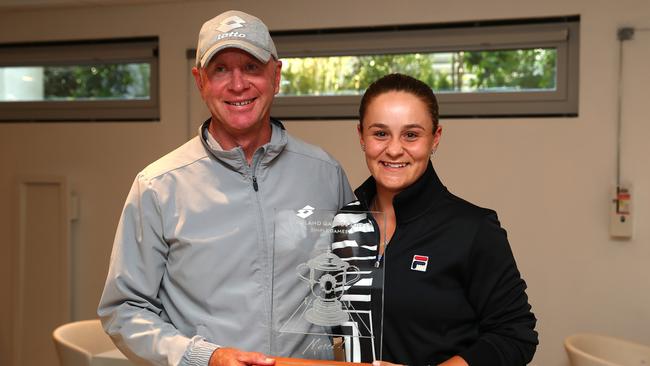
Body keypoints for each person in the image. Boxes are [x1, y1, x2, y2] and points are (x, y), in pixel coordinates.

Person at [97, 10, 354, 366]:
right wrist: (206, 357)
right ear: (200, 80)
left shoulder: (325, 174)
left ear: (275, 76)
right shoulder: (158, 186)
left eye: (251, 67)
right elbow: (124, 311)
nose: (237, 84)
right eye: (221, 70)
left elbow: (357, 289)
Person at [332, 73, 538, 366]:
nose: (393, 149)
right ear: (361, 137)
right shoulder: (342, 222)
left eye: (411, 135)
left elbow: (516, 335)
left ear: (435, 138)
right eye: (380, 133)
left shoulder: (472, 229)